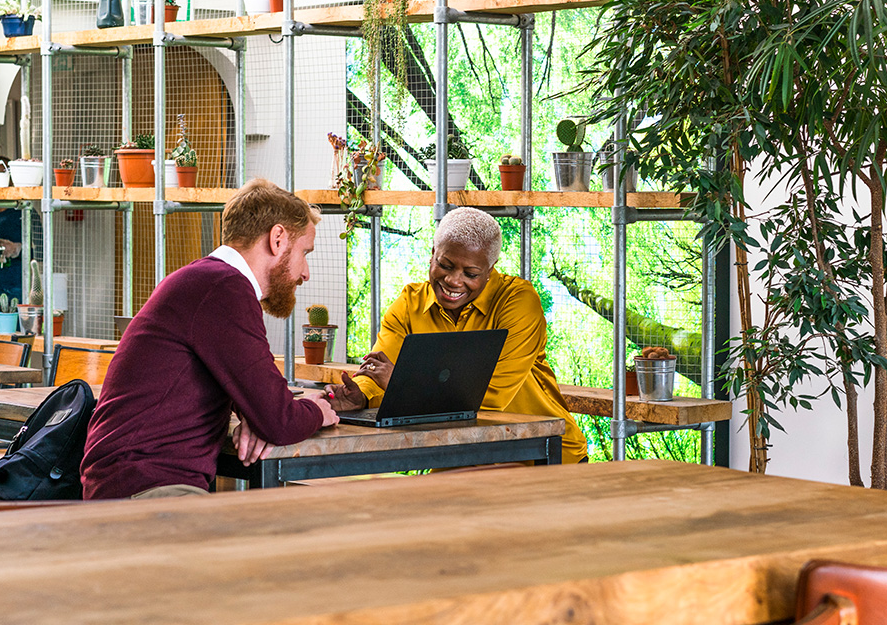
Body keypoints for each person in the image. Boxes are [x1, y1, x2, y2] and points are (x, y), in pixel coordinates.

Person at [81, 179, 339, 499]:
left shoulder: (208, 281)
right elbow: (281, 420)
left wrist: (257, 415)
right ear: (277, 239)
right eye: (304, 252)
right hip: (148, 491)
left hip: (134, 485)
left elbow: (264, 405)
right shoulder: (224, 289)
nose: (306, 272)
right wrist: (318, 411)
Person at [329, 207, 588, 463]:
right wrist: (361, 395)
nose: (453, 280)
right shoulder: (409, 305)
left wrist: (403, 386)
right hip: (460, 451)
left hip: (543, 452)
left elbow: (491, 398)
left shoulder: (518, 302)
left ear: (490, 269)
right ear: (433, 254)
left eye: (471, 274)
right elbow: (379, 369)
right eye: (445, 265)